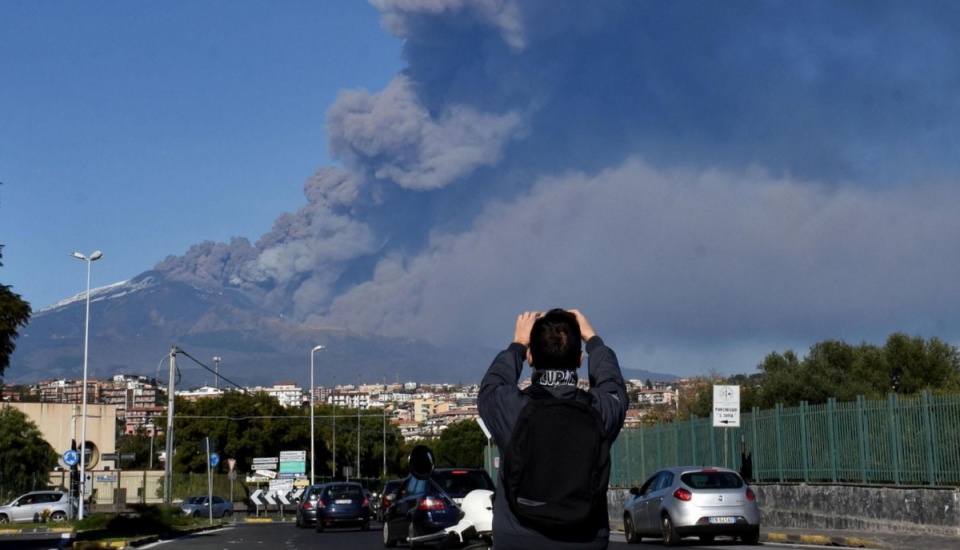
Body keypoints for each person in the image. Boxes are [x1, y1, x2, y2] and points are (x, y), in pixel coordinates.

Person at [478, 309, 628, 550]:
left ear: (530, 359)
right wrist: (593, 339)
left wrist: (517, 344)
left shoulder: (513, 411)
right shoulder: (599, 411)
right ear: (580, 360)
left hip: (518, 538)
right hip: (586, 538)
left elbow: (492, 387)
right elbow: (614, 387)